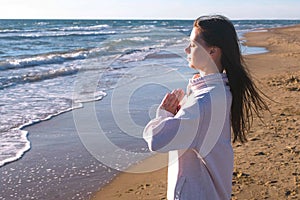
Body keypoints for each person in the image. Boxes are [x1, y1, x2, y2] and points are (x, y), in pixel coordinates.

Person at [143, 15, 269, 200]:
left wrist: (164, 115)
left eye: (193, 45)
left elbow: (157, 140)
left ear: (212, 51)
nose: (186, 49)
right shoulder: (221, 91)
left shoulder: (204, 101)